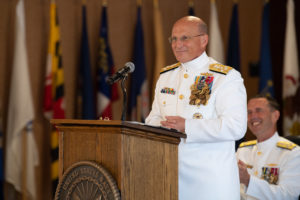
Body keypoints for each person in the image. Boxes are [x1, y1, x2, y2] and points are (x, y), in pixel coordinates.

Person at [145, 16, 247, 200]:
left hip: (210, 184)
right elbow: (154, 118)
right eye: (174, 39)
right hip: (169, 177)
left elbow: (236, 126)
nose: (178, 44)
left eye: (185, 38)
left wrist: (188, 126)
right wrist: (160, 125)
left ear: (204, 40)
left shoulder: (225, 77)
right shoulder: (166, 76)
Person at [236, 95, 300, 200]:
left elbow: (289, 195)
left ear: (275, 115)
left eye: (259, 110)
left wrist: (248, 180)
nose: (253, 117)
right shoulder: (242, 150)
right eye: (249, 112)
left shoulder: (293, 153)